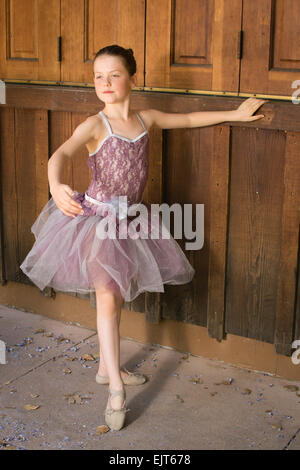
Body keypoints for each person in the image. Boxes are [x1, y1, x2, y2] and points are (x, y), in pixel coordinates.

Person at [20, 44, 267, 431]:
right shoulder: (94, 125)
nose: (104, 82)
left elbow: (186, 121)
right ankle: (116, 388)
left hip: (133, 220)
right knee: (108, 300)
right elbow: (60, 155)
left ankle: (105, 368)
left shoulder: (145, 118)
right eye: (98, 76)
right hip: (98, 222)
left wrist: (234, 114)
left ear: (133, 78)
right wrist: (54, 185)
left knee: (115, 297)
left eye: (113, 74)